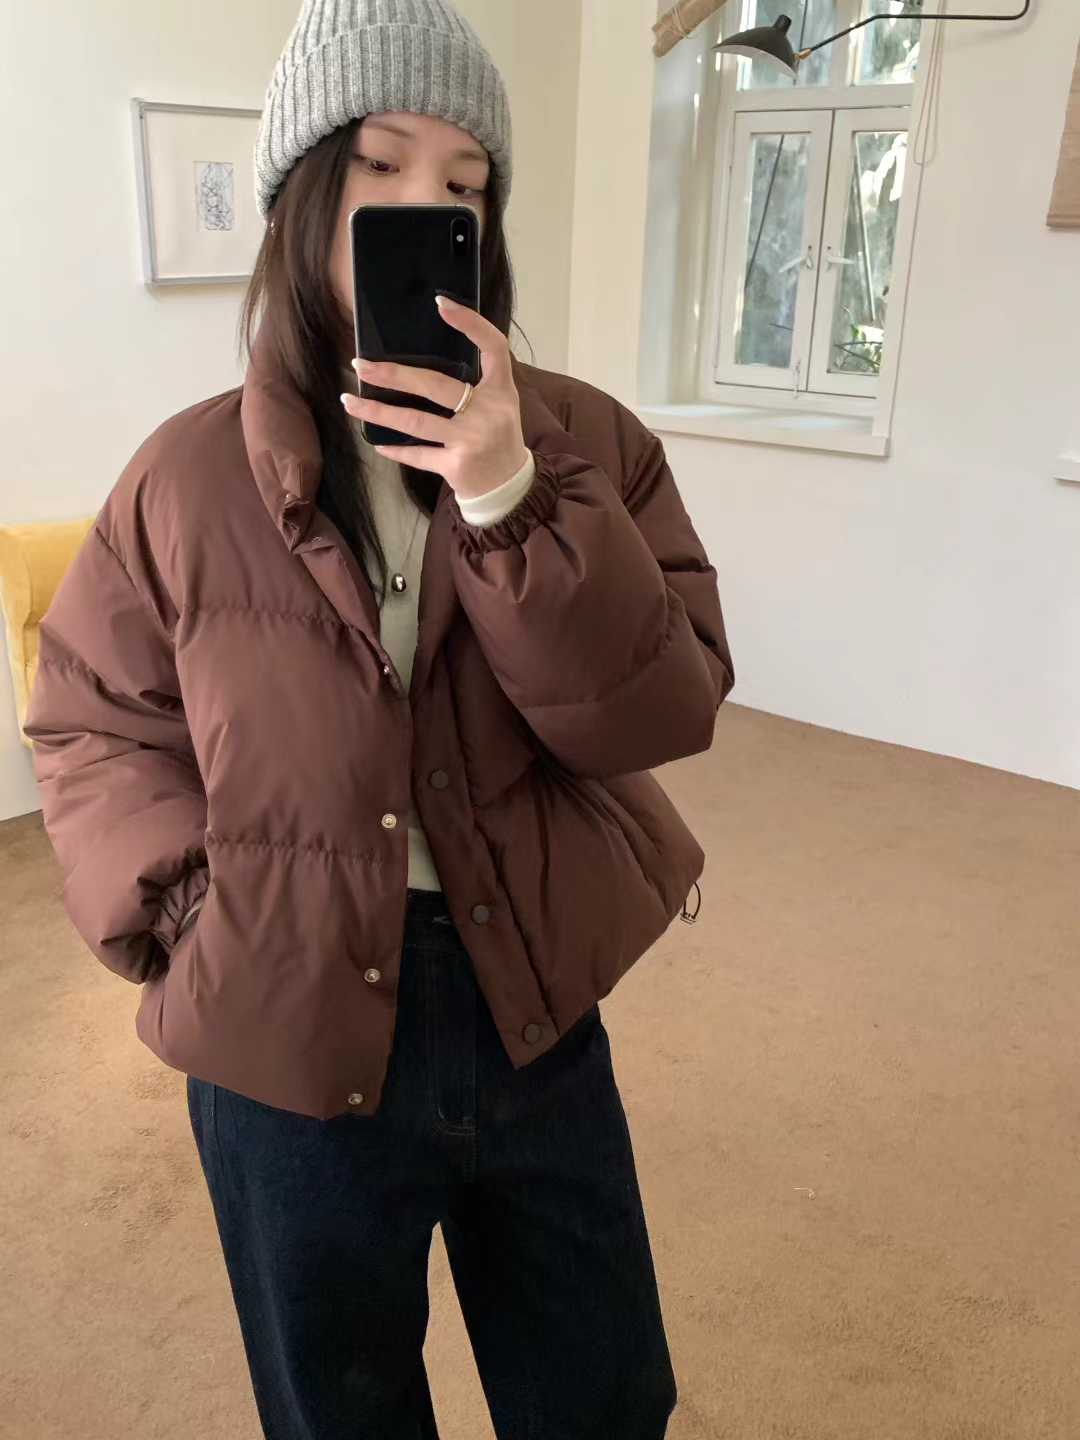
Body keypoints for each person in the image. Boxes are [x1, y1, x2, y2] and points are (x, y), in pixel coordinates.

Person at [24, 1, 735, 1435]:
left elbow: (660, 706)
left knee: (603, 1394)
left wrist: (510, 494)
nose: (430, 206)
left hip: (527, 990)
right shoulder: (181, 477)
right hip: (282, 1013)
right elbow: (92, 723)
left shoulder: (587, 444)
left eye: (466, 183)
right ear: (302, 197)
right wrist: (196, 915)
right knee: (337, 1409)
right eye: (384, 165)